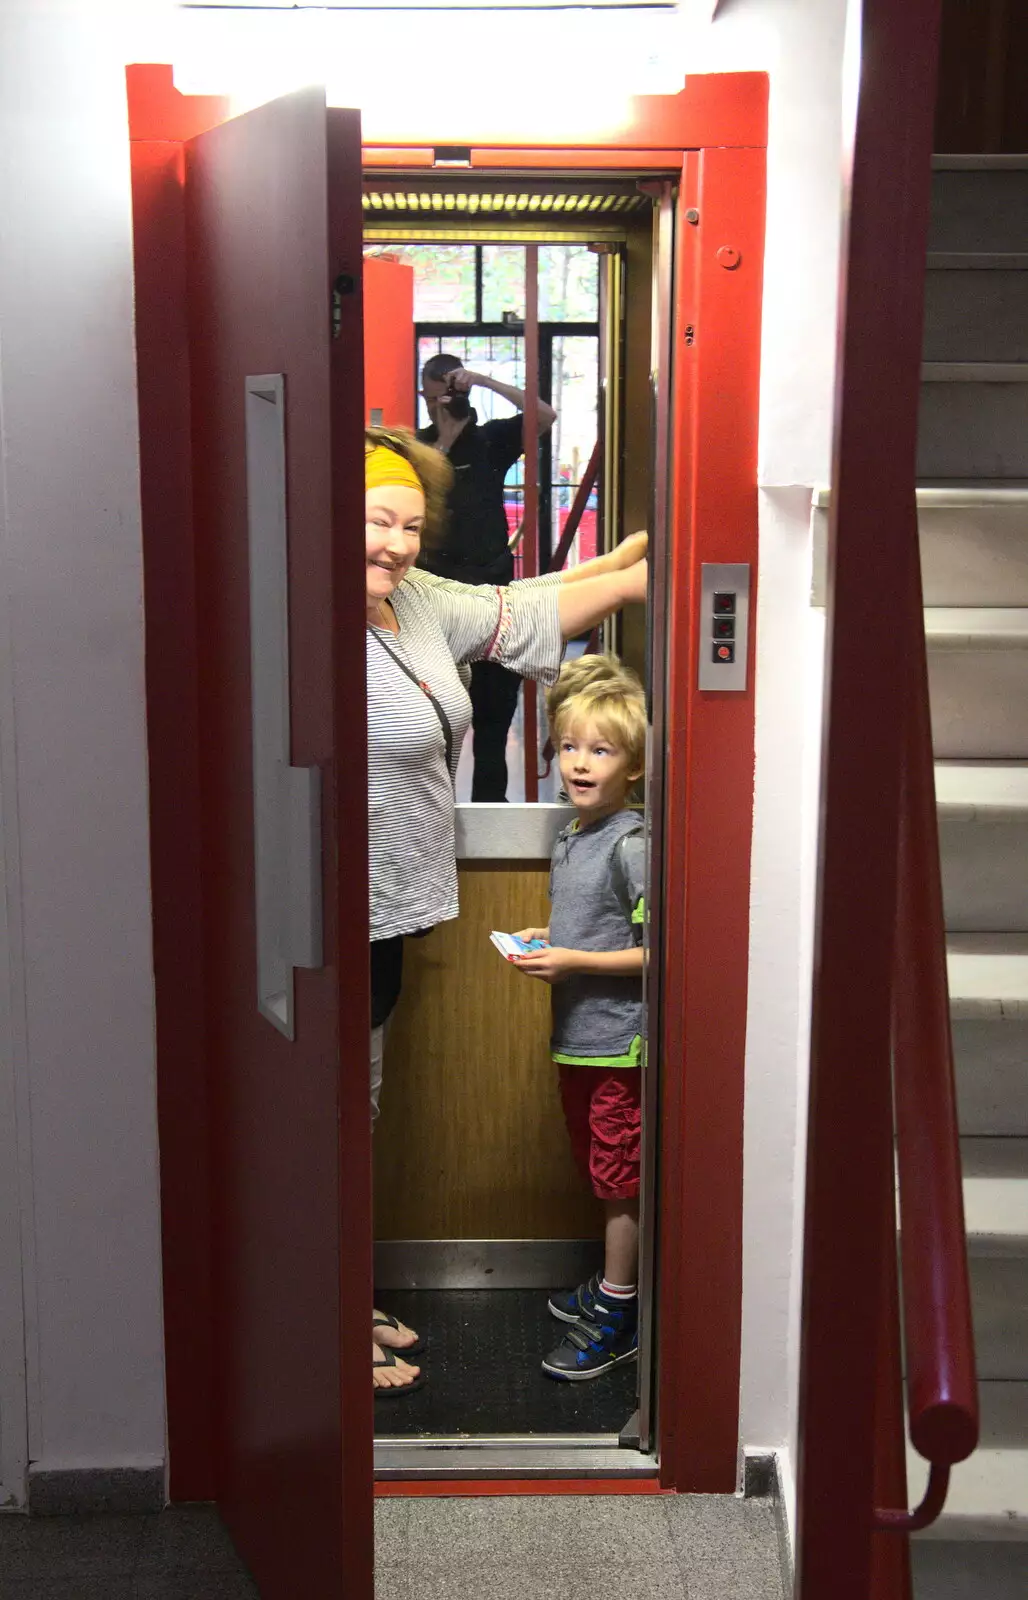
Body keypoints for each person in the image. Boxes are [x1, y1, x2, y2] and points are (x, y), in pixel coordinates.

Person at [364, 430, 647, 1394]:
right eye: (375, 520)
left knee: (348, 1117)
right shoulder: (290, 613)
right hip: (311, 928)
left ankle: (340, 1297)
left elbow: (513, 609)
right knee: (319, 1124)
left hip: (389, 912)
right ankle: (322, 1329)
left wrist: (628, 575)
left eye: (410, 524)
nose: (397, 544)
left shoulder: (411, 601)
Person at [510, 657, 646, 1380]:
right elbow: (598, 927)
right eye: (569, 746)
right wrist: (549, 938)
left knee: (620, 1177)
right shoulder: (575, 833)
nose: (580, 763)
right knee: (600, 1170)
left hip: (619, 1046)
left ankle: (619, 1310)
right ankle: (609, 1285)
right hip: (579, 1041)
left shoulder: (632, 843)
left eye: (602, 749)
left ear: (635, 766)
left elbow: (662, 952)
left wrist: (575, 963)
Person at [417, 352, 557, 802]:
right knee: (433, 732)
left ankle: (489, 823)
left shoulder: (491, 439)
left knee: (493, 729)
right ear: (423, 394)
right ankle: (436, 823)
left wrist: (485, 381)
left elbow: (545, 416)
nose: (440, 398)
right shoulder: (418, 449)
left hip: (493, 602)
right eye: (433, 391)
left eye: (450, 388)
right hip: (433, 608)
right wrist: (442, 435)